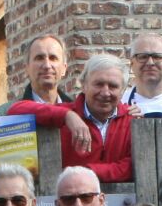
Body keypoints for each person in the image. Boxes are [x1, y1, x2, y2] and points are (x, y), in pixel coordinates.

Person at [10, 54, 135, 182]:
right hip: (70, 200)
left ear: (123, 90)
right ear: (84, 85)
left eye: (113, 86)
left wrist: (87, 172)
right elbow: (14, 111)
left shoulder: (133, 121)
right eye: (98, 84)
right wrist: (66, 116)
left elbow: (134, 165)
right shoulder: (63, 113)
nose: (105, 92)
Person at [0, 34, 72, 114]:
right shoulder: (4, 116)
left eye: (53, 58)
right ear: (27, 68)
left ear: (64, 68)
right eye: (39, 58)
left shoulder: (79, 113)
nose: (47, 65)